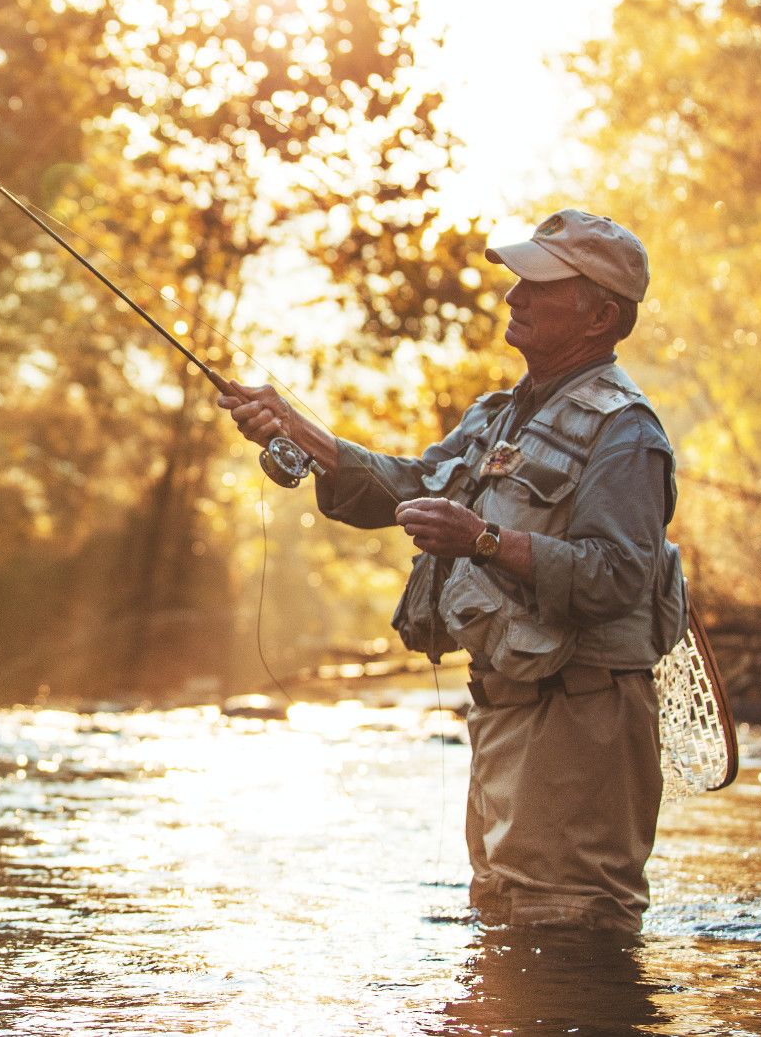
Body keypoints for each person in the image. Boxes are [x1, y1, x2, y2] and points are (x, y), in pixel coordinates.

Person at [219, 209, 687, 935]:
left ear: (600, 315)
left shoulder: (626, 429)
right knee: (504, 928)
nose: (513, 296)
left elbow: (619, 575)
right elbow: (409, 484)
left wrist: (486, 540)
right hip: (505, 713)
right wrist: (296, 429)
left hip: (582, 723)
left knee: (570, 936)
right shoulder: (502, 415)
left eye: (539, 283)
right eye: (518, 280)